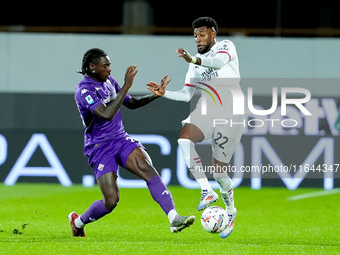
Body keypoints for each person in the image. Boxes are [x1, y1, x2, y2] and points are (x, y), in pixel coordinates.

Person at [68, 48, 195, 237]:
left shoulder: (109, 82)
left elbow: (132, 103)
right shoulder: (84, 89)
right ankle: (77, 222)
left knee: (147, 168)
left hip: (120, 138)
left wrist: (157, 95)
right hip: (99, 146)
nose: (110, 69)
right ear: (92, 67)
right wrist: (126, 86)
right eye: (105, 66)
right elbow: (106, 114)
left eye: (109, 65)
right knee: (111, 201)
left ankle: (174, 217)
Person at [147, 17, 244, 238]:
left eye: (201, 34)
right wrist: (165, 94)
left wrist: (193, 59)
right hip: (208, 108)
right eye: (195, 36)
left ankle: (231, 210)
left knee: (219, 170)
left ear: (213, 33)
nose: (197, 39)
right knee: (184, 139)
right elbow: (188, 94)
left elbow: (219, 63)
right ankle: (206, 190)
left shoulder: (226, 46)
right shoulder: (195, 62)